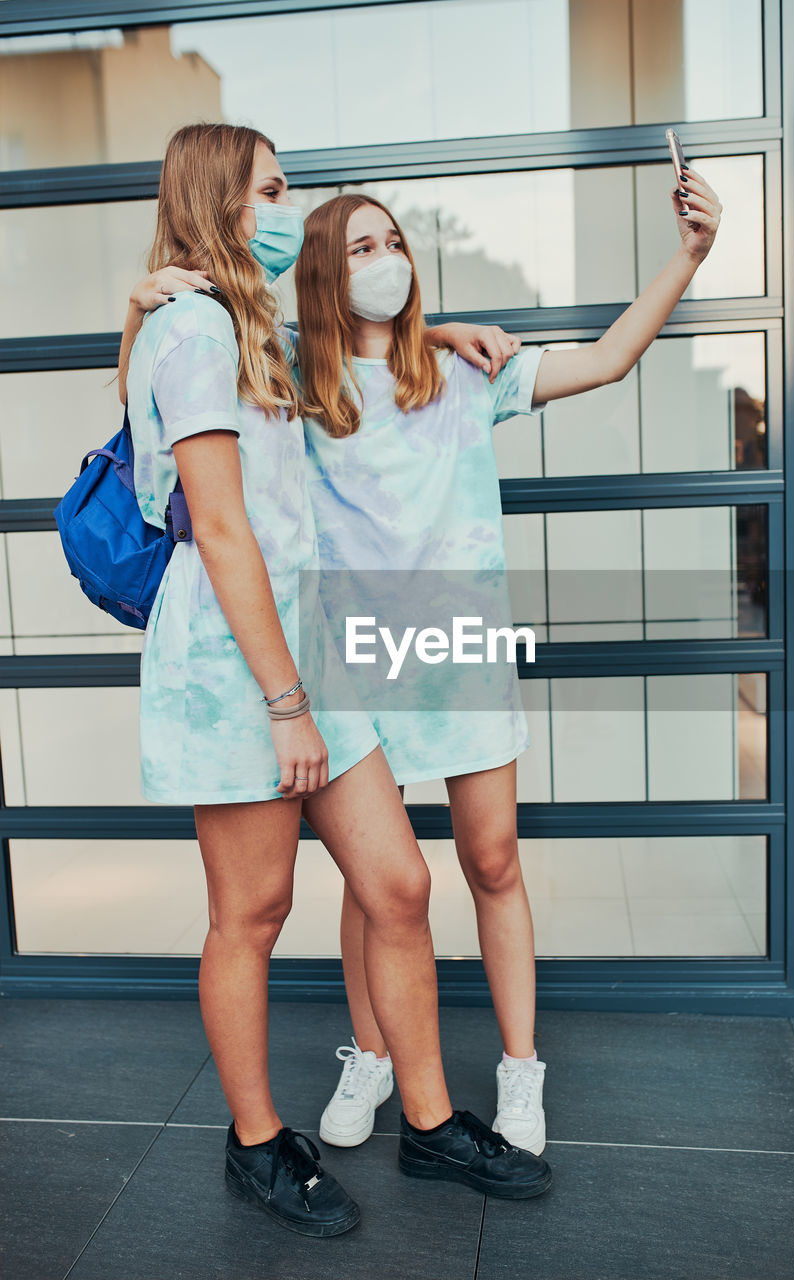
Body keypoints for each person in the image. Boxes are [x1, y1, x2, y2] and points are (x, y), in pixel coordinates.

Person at [122, 121, 552, 1240]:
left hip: (317, 645)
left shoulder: (242, 323)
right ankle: (258, 1143)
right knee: (252, 910)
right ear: (220, 200)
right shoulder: (192, 331)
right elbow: (217, 526)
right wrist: (284, 703)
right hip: (240, 667)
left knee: (397, 885)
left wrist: (431, 325)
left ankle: (426, 1118)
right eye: (270, 188)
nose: (286, 204)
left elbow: (342, 350)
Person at [289, 168, 721, 1157]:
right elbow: (209, 364)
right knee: (373, 883)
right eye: (360, 247)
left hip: (461, 657)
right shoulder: (298, 394)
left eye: (393, 240)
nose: (385, 259)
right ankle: (372, 1051)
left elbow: (610, 359)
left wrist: (689, 256)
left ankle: (519, 1072)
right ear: (322, 272)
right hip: (356, 665)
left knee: (492, 858)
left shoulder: (464, 376)